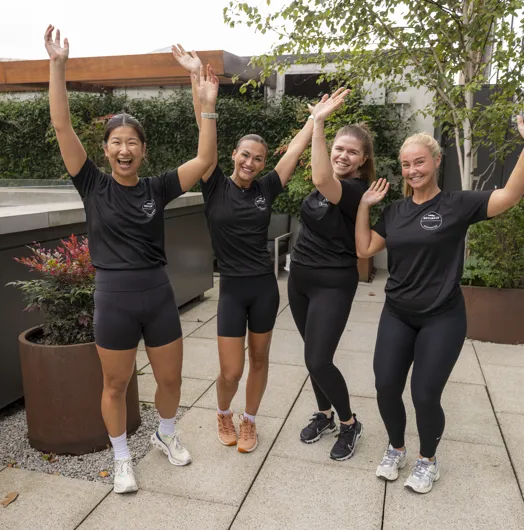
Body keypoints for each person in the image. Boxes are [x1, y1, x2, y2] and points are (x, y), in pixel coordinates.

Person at [45, 25, 219, 493]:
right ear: (105, 149)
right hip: (114, 297)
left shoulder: (156, 188)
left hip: (157, 294)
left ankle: (166, 434)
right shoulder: (92, 184)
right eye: (116, 142)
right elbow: (62, 124)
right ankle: (121, 455)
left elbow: (204, 160)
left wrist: (203, 99)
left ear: (143, 150)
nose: (124, 149)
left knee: (171, 379)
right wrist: (57, 66)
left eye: (133, 143)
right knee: (115, 385)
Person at [172, 44, 340, 453]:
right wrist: (198, 83)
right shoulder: (213, 182)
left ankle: (249, 423)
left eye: (259, 158)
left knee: (260, 360)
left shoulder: (266, 188)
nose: (251, 162)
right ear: (233, 155)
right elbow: (203, 130)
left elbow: (297, 151)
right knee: (231, 369)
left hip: (264, 287)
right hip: (231, 289)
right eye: (245, 155)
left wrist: (315, 120)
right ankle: (223, 413)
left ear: (265, 163)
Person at [355, 124, 524, 493]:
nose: (412, 170)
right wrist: (364, 208)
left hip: (442, 316)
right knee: (385, 386)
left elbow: (510, 195)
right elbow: (365, 249)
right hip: (398, 312)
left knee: (425, 394)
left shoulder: (457, 204)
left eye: (419, 162)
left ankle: (428, 460)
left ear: (436, 160)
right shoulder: (396, 211)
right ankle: (395, 448)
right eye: (405, 165)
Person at [287, 91, 374, 461]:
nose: (342, 156)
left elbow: (322, 176)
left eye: (351, 152)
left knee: (320, 359)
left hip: (333, 283)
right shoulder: (328, 184)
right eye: (339, 149)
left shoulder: (355, 190)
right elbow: (318, 174)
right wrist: (315, 126)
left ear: (363, 160)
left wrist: (318, 123)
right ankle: (324, 415)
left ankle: (349, 422)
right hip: (300, 279)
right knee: (311, 357)